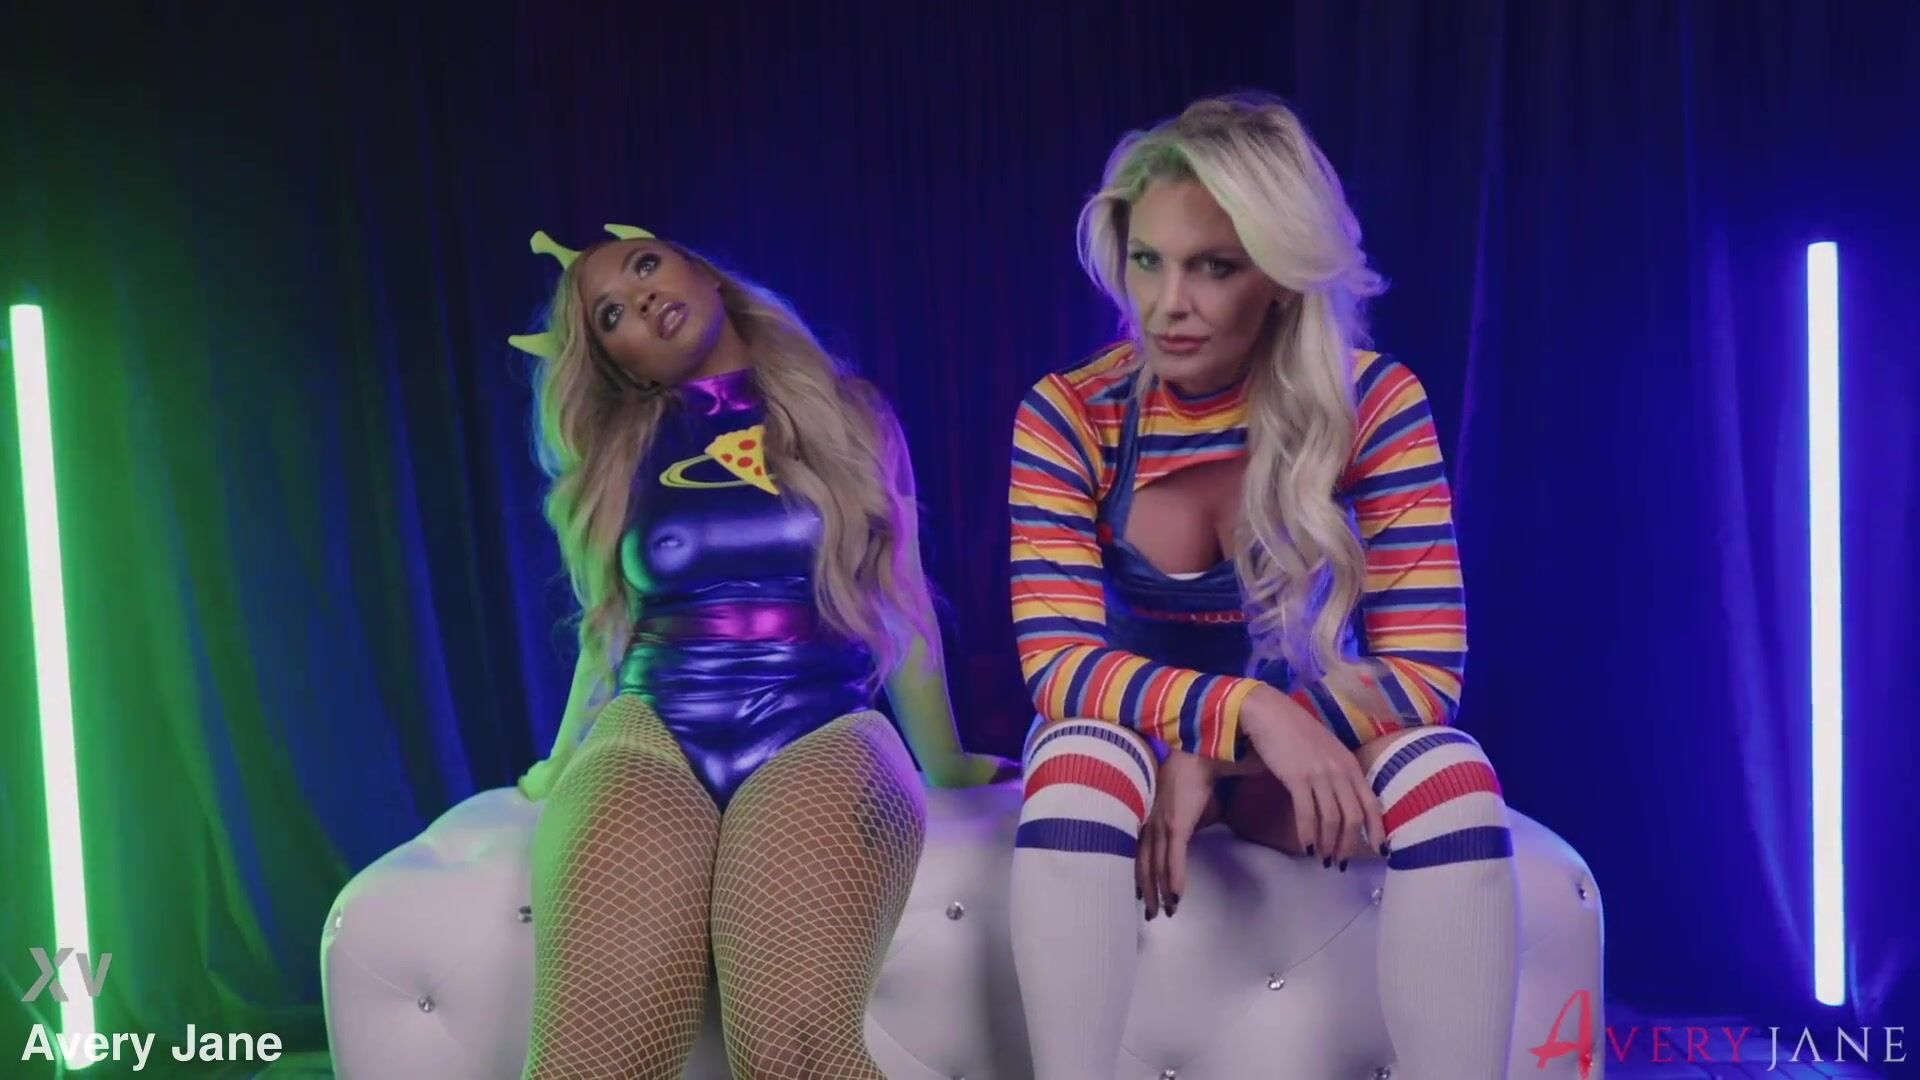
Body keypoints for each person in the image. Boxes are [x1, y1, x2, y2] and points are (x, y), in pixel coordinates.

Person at [1006, 94, 1520, 1079]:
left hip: (1300, 750)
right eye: (1148, 260)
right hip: (1130, 741)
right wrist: (1242, 714)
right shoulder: (1071, 413)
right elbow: (1061, 666)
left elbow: (1425, 670)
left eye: (1214, 266)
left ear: (1282, 278)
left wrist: (1223, 758)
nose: (1169, 302)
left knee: (1452, 777)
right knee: (1077, 756)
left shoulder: (1373, 401)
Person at [507, 224, 1010, 1079]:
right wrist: (560, 763)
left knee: (792, 1056)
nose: (640, 299)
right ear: (622, 365)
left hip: (820, 732)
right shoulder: (621, 455)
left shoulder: (849, 415)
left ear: (702, 270)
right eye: (611, 315)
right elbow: (608, 627)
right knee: (582, 1063)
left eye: (644, 265)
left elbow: (902, 598)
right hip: (652, 736)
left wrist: (947, 761)